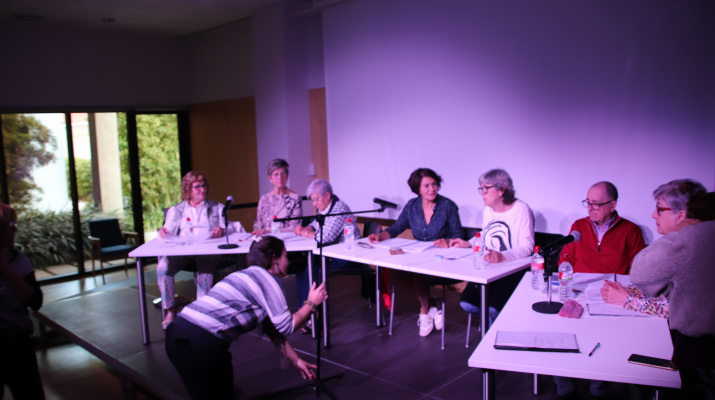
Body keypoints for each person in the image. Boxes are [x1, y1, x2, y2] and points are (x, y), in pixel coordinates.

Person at [165, 235, 328, 400]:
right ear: (275, 258)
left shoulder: (245, 275)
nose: (289, 261)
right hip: (201, 343)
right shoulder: (267, 279)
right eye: (286, 256)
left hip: (176, 334)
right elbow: (287, 326)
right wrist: (311, 303)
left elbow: (273, 330)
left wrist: (296, 360)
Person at [613, 181, 713, 399]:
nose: (653, 215)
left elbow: (641, 274)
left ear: (682, 214)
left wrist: (628, 300)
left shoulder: (691, 240)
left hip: (699, 359)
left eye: (659, 209)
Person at [368, 168, 463, 337]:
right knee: (400, 277)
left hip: (443, 258)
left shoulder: (448, 206)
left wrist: (448, 241)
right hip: (422, 256)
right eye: (426, 186)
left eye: (434, 184)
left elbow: (459, 236)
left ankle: (424, 312)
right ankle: (433, 304)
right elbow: (397, 227)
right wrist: (380, 236)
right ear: (417, 188)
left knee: (418, 278)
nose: (432, 189)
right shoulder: (412, 206)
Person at [449, 168, 534, 325]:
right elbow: (486, 234)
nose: (482, 193)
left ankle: (495, 329)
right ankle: (494, 326)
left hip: (512, 270)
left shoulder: (521, 209)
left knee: (492, 309)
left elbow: (527, 247)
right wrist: (468, 243)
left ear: (502, 190)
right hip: (489, 267)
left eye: (486, 188)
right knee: (467, 304)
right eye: (481, 188)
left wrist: (503, 256)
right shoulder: (488, 210)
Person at [157, 171, 225, 329]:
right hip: (183, 249)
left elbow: (228, 228)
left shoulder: (217, 207)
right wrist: (163, 232)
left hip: (207, 249)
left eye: (204, 186)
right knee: (163, 268)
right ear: (188, 189)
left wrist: (221, 231)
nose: (202, 189)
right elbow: (167, 231)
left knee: (205, 273)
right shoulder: (176, 210)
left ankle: (202, 312)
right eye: (197, 187)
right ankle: (171, 310)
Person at [293, 179, 363, 314]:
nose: (314, 204)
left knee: (311, 269)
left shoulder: (339, 209)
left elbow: (324, 238)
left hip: (348, 255)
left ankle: (312, 313)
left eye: (316, 200)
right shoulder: (325, 207)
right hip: (333, 253)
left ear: (327, 195)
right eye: (313, 200)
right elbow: (316, 224)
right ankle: (303, 310)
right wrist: (306, 228)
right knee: (302, 267)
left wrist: (305, 233)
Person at [0, 203, 45, 400]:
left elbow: (35, 301)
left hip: (18, 345)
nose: (15, 230)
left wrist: (5, 269)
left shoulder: (20, 261)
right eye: (10, 227)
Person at [559, 181, 646, 274]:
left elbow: (638, 269)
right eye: (588, 203)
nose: (590, 209)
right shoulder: (579, 226)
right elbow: (565, 261)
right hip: (580, 282)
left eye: (595, 204)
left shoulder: (631, 230)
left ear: (612, 205)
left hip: (613, 282)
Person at [253, 158, 303, 234]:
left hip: (286, 238)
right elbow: (258, 224)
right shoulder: (264, 199)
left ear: (287, 176)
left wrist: (268, 231)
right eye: (276, 174)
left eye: (283, 174)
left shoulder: (295, 198)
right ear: (270, 178)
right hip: (265, 238)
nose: (280, 177)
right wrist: (258, 231)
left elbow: (295, 227)